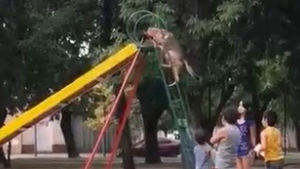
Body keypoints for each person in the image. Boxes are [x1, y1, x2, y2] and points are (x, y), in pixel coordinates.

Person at [236, 101, 256, 169]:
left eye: (242, 106)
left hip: (246, 149)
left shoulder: (250, 122)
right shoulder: (234, 122)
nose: (240, 107)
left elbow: (253, 136)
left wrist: (253, 149)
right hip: (236, 149)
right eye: (239, 105)